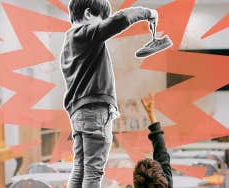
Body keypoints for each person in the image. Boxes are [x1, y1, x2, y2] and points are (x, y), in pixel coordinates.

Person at [61, 0, 158, 187]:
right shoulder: (87, 34)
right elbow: (120, 18)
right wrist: (148, 13)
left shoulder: (68, 43)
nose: (103, 27)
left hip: (78, 114)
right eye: (101, 20)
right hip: (95, 112)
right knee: (93, 172)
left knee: (80, 168)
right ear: (89, 14)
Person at [133, 93, 173, 188]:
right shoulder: (165, 184)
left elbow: (162, 154)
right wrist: (151, 115)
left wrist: (151, 116)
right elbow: (161, 153)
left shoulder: (167, 184)